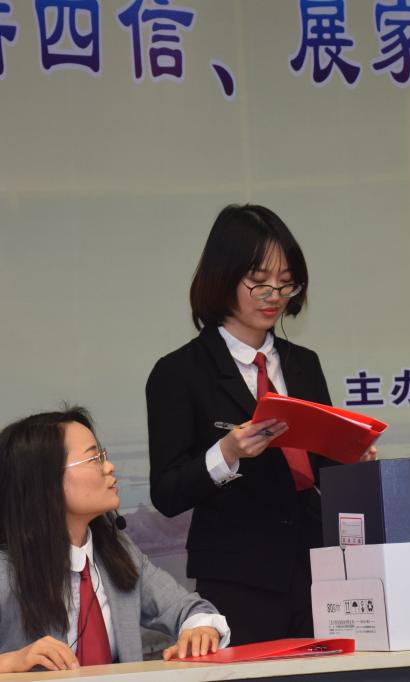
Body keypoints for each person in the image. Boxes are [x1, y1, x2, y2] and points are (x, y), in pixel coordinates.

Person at [147, 204, 373, 646]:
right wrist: (227, 453)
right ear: (222, 277)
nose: (275, 295)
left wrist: (353, 460)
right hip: (238, 576)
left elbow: (321, 468)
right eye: (259, 281)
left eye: (286, 282)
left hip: (319, 567)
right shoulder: (179, 372)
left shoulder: (303, 364)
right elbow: (167, 493)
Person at [0, 407, 229, 675]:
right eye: (94, 458)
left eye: (104, 455)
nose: (109, 467)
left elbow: (191, 610)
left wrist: (200, 630)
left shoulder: (119, 553)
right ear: (46, 480)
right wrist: (9, 664)